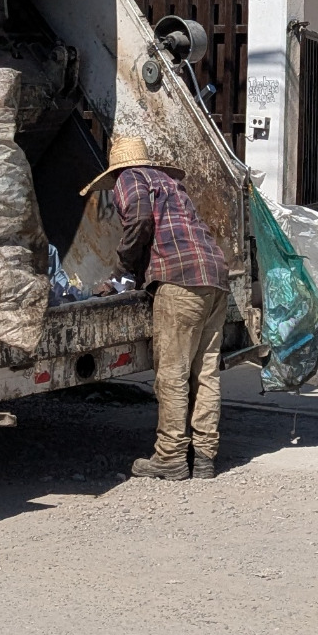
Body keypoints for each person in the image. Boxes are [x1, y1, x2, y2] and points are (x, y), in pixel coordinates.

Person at [87, 135, 231, 482]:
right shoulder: (168, 181)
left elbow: (138, 221)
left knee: (172, 373)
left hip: (179, 280)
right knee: (205, 372)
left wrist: (122, 272)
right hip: (214, 275)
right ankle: (206, 458)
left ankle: (170, 457)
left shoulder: (129, 179)